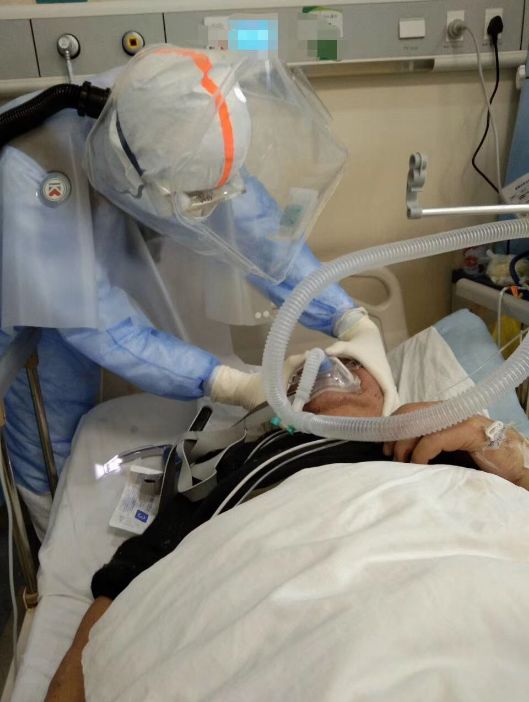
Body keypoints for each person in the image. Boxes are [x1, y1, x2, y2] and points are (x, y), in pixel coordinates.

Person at [0, 45, 380, 537]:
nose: (209, 207)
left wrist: (349, 318)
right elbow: (100, 327)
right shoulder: (33, 172)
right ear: (130, 169)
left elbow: (263, 239)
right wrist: (228, 384)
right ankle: (46, 539)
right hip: (20, 293)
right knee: (48, 434)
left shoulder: (183, 113)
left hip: (77, 284)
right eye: (195, 197)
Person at [43, 340, 529, 702]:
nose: (330, 368)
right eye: (302, 376)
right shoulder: (242, 462)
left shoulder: (438, 434)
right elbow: (124, 587)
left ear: (385, 390)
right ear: (285, 406)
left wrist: (495, 441)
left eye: (354, 364)